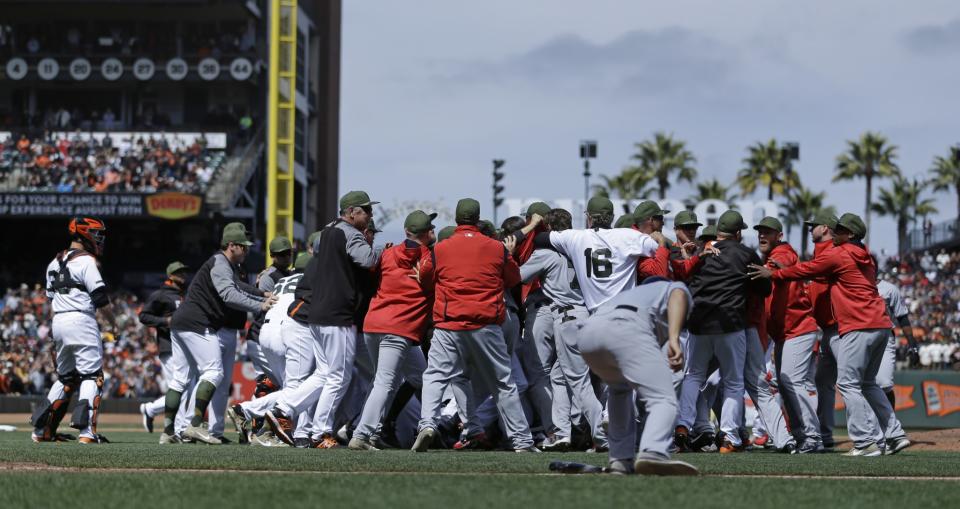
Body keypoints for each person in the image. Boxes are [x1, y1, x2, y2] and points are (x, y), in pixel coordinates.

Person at [749, 213, 911, 456]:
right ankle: (894, 434)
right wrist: (791, 271)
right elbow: (817, 273)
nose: (835, 233)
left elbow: (812, 269)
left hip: (858, 325)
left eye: (841, 230)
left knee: (848, 383)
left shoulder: (839, 253)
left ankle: (865, 442)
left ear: (851, 235)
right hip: (880, 325)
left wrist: (775, 273)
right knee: (866, 383)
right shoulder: (863, 255)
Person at [414, 198, 536, 452]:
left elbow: (426, 279)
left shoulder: (442, 248)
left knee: (435, 376)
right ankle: (522, 441)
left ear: (457, 219)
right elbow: (513, 278)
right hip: (486, 323)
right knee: (503, 382)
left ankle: (427, 424)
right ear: (478, 218)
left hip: (449, 323)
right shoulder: (495, 247)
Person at [265, 191, 383, 448]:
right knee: (339, 377)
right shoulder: (350, 233)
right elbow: (368, 259)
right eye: (366, 210)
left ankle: (283, 408)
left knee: (324, 374)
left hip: (319, 313)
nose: (370, 214)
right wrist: (385, 250)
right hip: (337, 314)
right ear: (352, 212)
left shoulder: (328, 229)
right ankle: (320, 432)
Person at [160, 223, 275, 445]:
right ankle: (194, 425)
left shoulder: (224, 264)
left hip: (180, 322)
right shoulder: (221, 263)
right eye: (243, 246)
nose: (247, 250)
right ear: (231, 245)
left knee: (180, 379)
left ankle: (167, 432)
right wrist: (260, 305)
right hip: (197, 322)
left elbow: (239, 287)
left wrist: (262, 293)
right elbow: (230, 294)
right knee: (213, 372)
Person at [578, 279, 699, 475]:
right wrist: (675, 339)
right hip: (626, 326)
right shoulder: (669, 288)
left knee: (618, 391)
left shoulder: (632, 295)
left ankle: (620, 459)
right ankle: (654, 452)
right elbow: (678, 293)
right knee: (663, 398)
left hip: (588, 335)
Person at [677, 210, 772, 453]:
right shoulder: (745, 253)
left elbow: (686, 279)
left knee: (694, 375)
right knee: (732, 381)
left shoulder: (703, 252)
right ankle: (729, 438)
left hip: (699, 322)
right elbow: (764, 289)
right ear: (738, 233)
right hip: (730, 324)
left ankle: (683, 426)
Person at [521, 208, 607, 452]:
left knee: (579, 382)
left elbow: (517, 277)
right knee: (559, 377)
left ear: (549, 230)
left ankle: (602, 435)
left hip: (566, 317)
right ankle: (562, 434)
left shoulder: (546, 253)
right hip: (586, 315)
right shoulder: (580, 248)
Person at [349, 211, 436, 450]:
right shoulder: (429, 258)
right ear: (427, 233)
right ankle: (362, 434)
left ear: (407, 231)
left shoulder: (387, 253)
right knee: (386, 382)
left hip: (374, 323)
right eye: (431, 229)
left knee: (422, 377)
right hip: (399, 328)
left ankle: (419, 425)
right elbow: (431, 282)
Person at [31, 217, 115, 444]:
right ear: (84, 234)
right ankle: (87, 433)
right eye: (97, 234)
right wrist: (113, 323)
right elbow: (99, 297)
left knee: (66, 378)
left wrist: (52, 335)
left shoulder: (53, 262)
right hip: (81, 319)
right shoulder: (87, 261)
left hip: (58, 321)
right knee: (92, 376)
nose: (100, 239)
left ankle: (41, 431)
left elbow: (51, 301)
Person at [228, 252, 313, 447]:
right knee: (298, 390)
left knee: (291, 389)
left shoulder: (284, 280)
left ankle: (266, 428)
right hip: (286, 331)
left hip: (265, 333)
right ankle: (247, 411)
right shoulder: (308, 279)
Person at [754, 217, 820, 452]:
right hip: (785, 333)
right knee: (785, 382)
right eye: (760, 232)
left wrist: (770, 269)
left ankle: (813, 436)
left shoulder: (784, 251)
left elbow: (783, 263)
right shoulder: (768, 257)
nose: (762, 235)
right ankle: (803, 436)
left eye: (768, 232)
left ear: (778, 235)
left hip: (800, 329)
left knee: (791, 381)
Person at [138, 262, 191, 437]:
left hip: (186, 347)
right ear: (170, 275)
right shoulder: (160, 295)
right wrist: (164, 322)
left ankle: (151, 409)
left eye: (184, 271)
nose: (183, 274)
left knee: (186, 388)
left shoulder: (187, 293)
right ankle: (179, 429)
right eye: (179, 272)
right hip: (168, 346)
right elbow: (143, 316)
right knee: (180, 386)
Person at [244, 236, 294, 423]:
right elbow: (264, 308)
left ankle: (249, 421)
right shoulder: (268, 277)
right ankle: (252, 420)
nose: (285, 257)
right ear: (273, 256)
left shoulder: (289, 274)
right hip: (261, 335)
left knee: (269, 383)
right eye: (280, 255)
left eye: (287, 253)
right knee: (272, 383)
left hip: (272, 336)